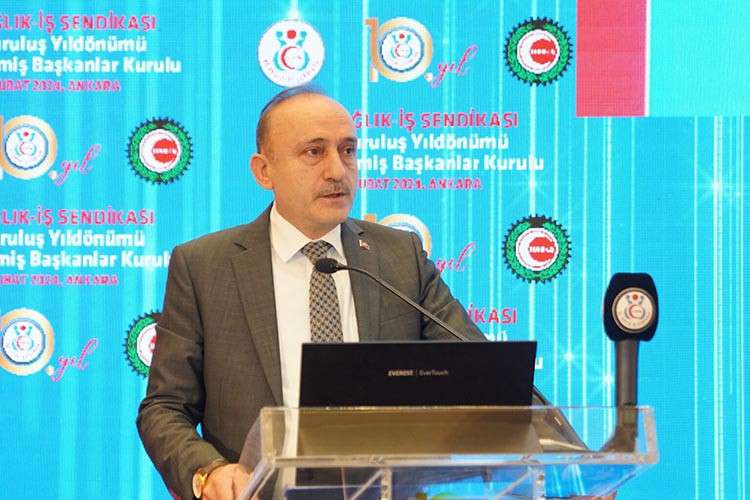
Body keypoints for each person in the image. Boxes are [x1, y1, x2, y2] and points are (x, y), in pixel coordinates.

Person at [136, 86, 486, 500]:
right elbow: (165, 408)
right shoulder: (205, 267)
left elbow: (482, 376)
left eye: (348, 150)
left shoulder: (399, 256)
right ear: (264, 171)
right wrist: (208, 472)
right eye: (314, 152)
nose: (337, 170)